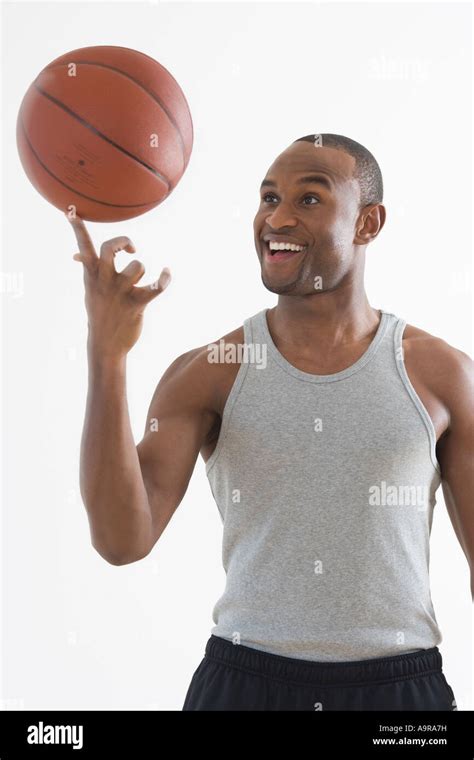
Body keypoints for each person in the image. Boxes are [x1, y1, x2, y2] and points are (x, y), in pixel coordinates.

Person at [69, 133, 472, 711]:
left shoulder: (443, 375)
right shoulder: (209, 373)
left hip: (399, 694)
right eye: (267, 198)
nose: (276, 218)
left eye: (309, 199)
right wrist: (106, 357)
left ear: (368, 223)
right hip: (245, 685)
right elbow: (120, 541)